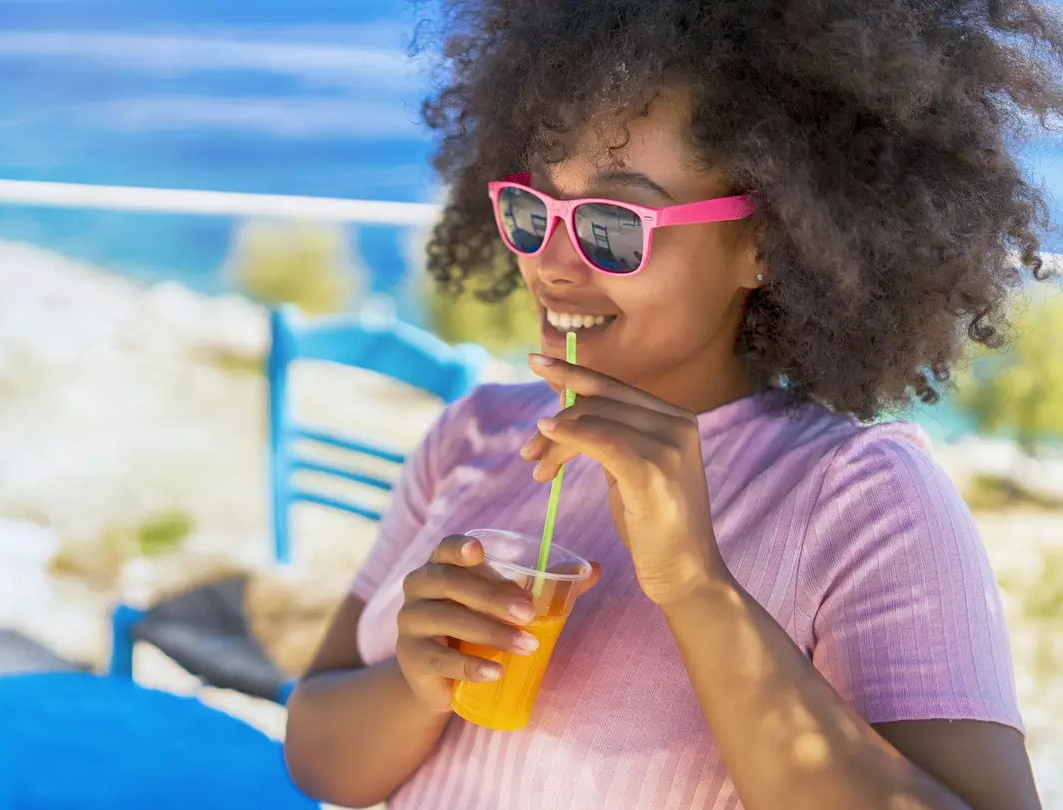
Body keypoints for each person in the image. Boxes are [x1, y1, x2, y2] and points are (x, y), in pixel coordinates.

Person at [282, 1, 1063, 808]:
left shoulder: (865, 503)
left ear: (766, 241)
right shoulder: (472, 433)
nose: (550, 263)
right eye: (530, 209)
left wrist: (696, 586)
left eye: (614, 225)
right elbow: (315, 758)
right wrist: (415, 684)